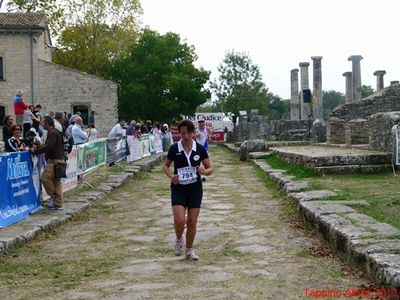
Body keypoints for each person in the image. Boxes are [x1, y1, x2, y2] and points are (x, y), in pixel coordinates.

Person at [162, 120, 212, 261]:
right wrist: (171, 176)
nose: (184, 136)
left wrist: (204, 171)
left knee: (191, 221)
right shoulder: (174, 148)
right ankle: (179, 240)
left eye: (186, 133)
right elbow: (165, 167)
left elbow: (210, 168)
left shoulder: (200, 149)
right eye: (181, 133)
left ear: (192, 133)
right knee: (179, 220)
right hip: (179, 188)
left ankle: (189, 250)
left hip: (195, 188)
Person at [30, 116, 65, 210]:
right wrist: (40, 145)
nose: (41, 124)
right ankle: (58, 204)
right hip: (59, 160)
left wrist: (35, 151)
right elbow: (50, 145)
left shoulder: (52, 132)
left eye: (43, 123)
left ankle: (54, 198)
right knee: (56, 182)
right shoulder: (55, 132)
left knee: (45, 178)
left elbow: (49, 146)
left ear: (47, 123)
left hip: (54, 161)